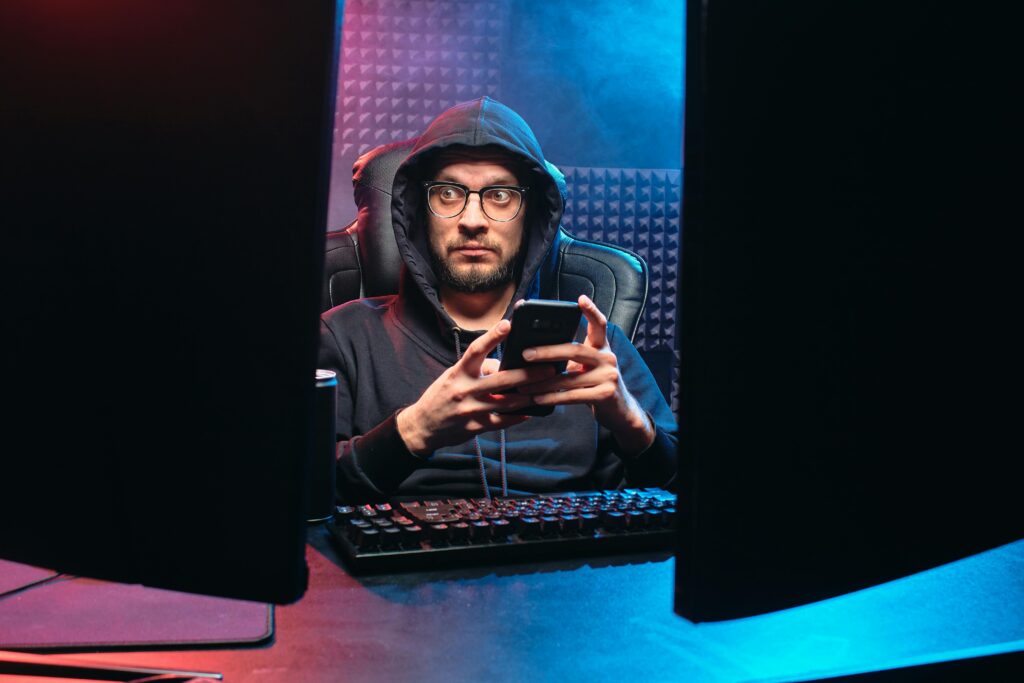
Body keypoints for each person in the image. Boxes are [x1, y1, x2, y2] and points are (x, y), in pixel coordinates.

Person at [319, 96, 676, 502]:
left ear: (533, 216)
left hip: (561, 560)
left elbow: (690, 497)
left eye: (501, 195)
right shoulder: (342, 336)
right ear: (419, 211)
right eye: (449, 194)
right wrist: (413, 430)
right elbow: (296, 494)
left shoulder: (595, 348)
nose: (473, 221)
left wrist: (632, 423)